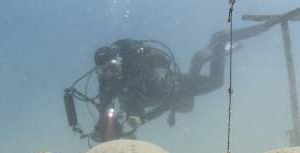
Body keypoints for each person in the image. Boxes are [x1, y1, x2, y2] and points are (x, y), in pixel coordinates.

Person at [64, 19, 284, 142]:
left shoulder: (146, 71)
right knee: (178, 108)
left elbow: (167, 99)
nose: (109, 75)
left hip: (172, 87)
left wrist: (142, 118)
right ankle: (198, 62)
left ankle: (217, 43)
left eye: (112, 68)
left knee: (215, 82)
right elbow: (105, 112)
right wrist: (101, 128)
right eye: (103, 72)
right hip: (148, 101)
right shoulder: (107, 83)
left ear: (120, 61)